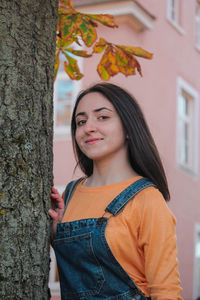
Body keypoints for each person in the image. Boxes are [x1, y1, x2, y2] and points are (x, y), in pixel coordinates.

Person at [49, 83, 182, 300]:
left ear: (129, 128)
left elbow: (166, 291)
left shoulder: (147, 199)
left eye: (102, 117)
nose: (88, 127)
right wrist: (57, 235)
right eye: (81, 121)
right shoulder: (69, 196)